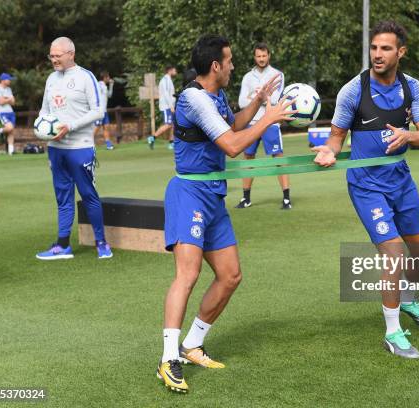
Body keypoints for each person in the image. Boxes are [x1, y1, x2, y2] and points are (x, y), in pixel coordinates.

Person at [157, 34, 294, 393]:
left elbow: (233, 124)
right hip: (188, 193)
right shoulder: (193, 98)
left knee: (230, 276)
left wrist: (259, 104)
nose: (234, 65)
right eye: (230, 60)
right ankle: (168, 357)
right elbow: (233, 146)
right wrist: (271, 118)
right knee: (187, 275)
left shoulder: (215, 95)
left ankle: (192, 344)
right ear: (215, 66)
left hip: (213, 196)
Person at [313, 21, 419, 359]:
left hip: (401, 179)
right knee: (394, 254)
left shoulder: (412, 89)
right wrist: (328, 151)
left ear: (401, 52)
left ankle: (408, 298)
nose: (377, 55)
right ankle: (393, 332)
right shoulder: (353, 90)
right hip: (366, 185)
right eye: (374, 48)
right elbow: (336, 137)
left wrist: (408, 135)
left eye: (385, 48)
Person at [35, 37, 113, 260]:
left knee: (89, 194)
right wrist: (40, 126)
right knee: (63, 197)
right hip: (56, 148)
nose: (54, 59)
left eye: (58, 55)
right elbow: (44, 111)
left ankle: (101, 242)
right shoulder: (51, 79)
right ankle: (62, 245)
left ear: (71, 54)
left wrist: (70, 126)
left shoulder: (85, 77)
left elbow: (98, 111)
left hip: (80, 147)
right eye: (51, 55)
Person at [235, 43, 290, 209]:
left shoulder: (277, 74)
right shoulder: (247, 77)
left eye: (264, 56)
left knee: (278, 158)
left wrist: (256, 96)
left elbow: (275, 100)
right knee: (248, 159)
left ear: (269, 56)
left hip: (270, 122)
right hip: (251, 124)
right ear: (254, 57)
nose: (261, 59)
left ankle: (286, 198)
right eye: (258, 56)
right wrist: (262, 96)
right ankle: (246, 198)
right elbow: (241, 102)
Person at [148, 66, 177, 150]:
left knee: (173, 124)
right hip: (166, 106)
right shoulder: (165, 80)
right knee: (168, 124)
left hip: (169, 106)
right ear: (170, 70)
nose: (176, 71)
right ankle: (153, 137)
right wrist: (171, 106)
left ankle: (171, 142)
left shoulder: (168, 80)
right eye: (174, 69)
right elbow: (166, 94)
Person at [0, 73, 16, 155]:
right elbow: (1, 102)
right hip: (2, 112)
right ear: (3, 80)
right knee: (9, 128)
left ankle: (11, 151)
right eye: (8, 79)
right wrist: (9, 99)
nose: (10, 81)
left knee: (11, 131)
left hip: (11, 112)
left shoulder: (8, 89)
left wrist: (6, 98)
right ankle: (0, 131)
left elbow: (13, 102)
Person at [94, 71, 115, 150]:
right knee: (97, 127)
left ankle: (108, 144)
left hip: (104, 111)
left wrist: (111, 85)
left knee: (106, 127)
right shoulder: (99, 84)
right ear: (105, 77)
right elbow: (95, 95)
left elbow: (109, 95)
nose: (109, 78)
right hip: (99, 111)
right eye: (108, 77)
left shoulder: (105, 86)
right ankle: (87, 143)